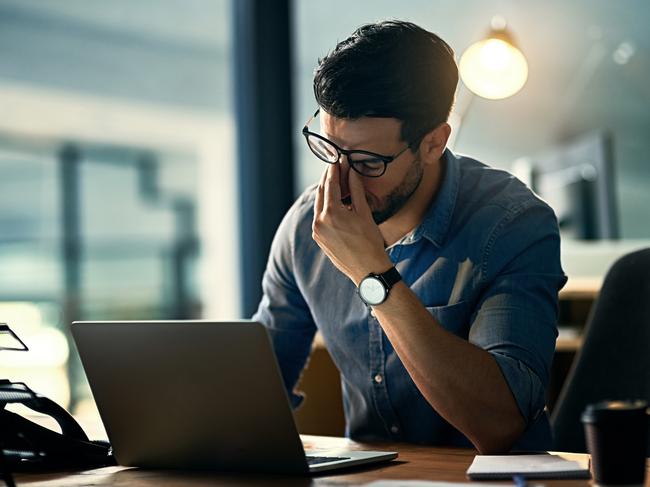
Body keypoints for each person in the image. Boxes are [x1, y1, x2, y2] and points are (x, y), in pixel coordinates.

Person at [253, 20, 566, 453]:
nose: (342, 181)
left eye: (367, 162)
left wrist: (371, 273)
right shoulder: (307, 226)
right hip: (365, 480)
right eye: (330, 150)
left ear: (434, 143)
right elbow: (256, 387)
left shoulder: (513, 224)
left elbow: (500, 424)